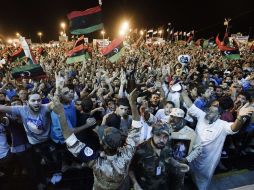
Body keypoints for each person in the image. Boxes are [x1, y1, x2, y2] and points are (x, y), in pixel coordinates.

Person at [56, 89, 143, 190]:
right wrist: (132, 103)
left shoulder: (96, 162)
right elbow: (136, 128)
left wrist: (60, 114)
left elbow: (69, 139)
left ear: (102, 143)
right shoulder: (127, 153)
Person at [181, 90, 254, 190]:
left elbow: (234, 128)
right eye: (209, 110)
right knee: (191, 173)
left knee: (202, 183)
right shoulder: (202, 116)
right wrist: (182, 91)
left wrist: (240, 117)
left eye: (212, 112)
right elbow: (189, 104)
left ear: (218, 116)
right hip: (193, 156)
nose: (209, 113)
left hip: (208, 162)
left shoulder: (222, 125)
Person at [129, 123, 190, 190]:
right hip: (146, 187)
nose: (161, 140)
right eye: (158, 135)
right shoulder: (140, 150)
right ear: (152, 134)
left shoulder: (166, 146)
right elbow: (130, 169)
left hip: (163, 185)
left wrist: (178, 164)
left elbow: (168, 158)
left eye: (165, 137)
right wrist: (135, 183)